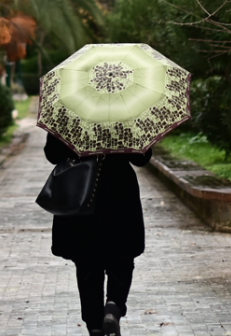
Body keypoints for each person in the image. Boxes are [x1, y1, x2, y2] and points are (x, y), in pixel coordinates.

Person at [44, 132, 153, 336]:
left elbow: (53, 154)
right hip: (119, 193)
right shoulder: (124, 112)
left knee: (87, 264)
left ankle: (94, 325)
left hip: (81, 194)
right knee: (122, 258)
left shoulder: (69, 109)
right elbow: (142, 158)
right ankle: (113, 306)